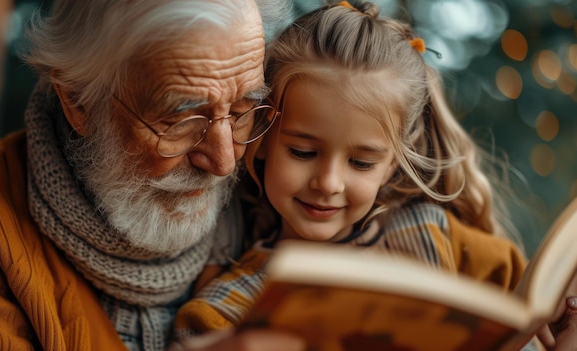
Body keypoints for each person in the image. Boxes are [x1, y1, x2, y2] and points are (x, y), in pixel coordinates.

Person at [172, 2, 577, 351]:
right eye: (303, 152)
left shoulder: (435, 234)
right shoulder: (228, 307)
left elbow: (529, 301)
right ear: (259, 140)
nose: (328, 182)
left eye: (362, 163)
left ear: (393, 164)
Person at [0, 0, 308, 350]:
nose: (224, 161)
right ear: (78, 101)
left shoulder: (274, 201)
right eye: (181, 121)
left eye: (243, 110)